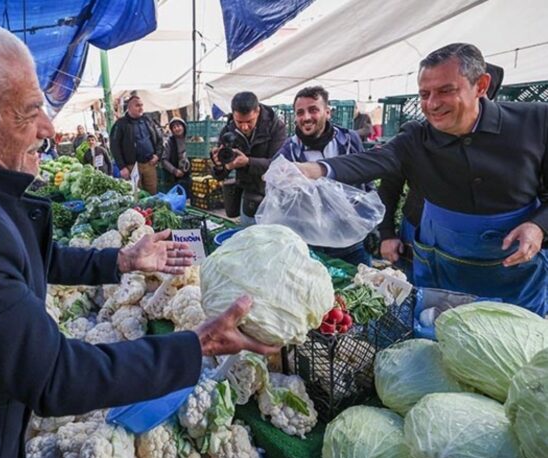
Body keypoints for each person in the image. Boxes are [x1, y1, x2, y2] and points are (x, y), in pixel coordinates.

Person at [0, 17, 278, 458]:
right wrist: (198, 344)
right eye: (30, 110)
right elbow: (56, 376)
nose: (49, 128)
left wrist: (122, 259)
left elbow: (31, 258)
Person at [296, 43, 547, 315]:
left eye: (445, 91)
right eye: (424, 94)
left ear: (481, 85)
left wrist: (538, 226)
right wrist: (314, 170)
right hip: (442, 268)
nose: (432, 104)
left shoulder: (536, 122)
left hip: (515, 272)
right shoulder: (417, 136)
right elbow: (378, 161)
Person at [378, 61, 506, 278]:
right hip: (419, 235)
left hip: (490, 246)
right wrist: (386, 233)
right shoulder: (421, 138)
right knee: (421, 297)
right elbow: (390, 185)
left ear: (482, 90)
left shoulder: (505, 137)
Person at [277, 85, 372, 266]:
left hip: (352, 241)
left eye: (313, 110)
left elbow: (366, 182)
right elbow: (276, 189)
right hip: (313, 243)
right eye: (300, 112)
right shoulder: (289, 150)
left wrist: (371, 225)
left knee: (361, 287)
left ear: (327, 112)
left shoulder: (350, 140)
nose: (306, 118)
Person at [211, 91, 286, 226]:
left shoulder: (275, 127)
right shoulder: (228, 131)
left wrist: (248, 162)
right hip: (249, 196)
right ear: (233, 114)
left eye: (249, 121)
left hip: (274, 194)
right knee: (249, 237)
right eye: (239, 122)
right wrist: (219, 166)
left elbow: (279, 164)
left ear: (257, 111)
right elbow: (220, 174)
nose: (244, 127)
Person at [110, 95, 163, 195]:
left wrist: (157, 155)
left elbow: (159, 139)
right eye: (137, 105)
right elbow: (114, 146)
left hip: (149, 164)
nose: (141, 108)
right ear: (129, 107)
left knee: (153, 193)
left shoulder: (148, 121)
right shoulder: (120, 124)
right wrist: (122, 167)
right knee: (136, 195)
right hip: (132, 167)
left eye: (142, 105)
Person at [161, 117, 191, 195]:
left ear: (183, 126)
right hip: (176, 175)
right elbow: (164, 160)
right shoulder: (169, 142)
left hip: (191, 173)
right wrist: (174, 170)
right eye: (174, 127)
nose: (177, 129)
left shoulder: (191, 139)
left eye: (178, 126)